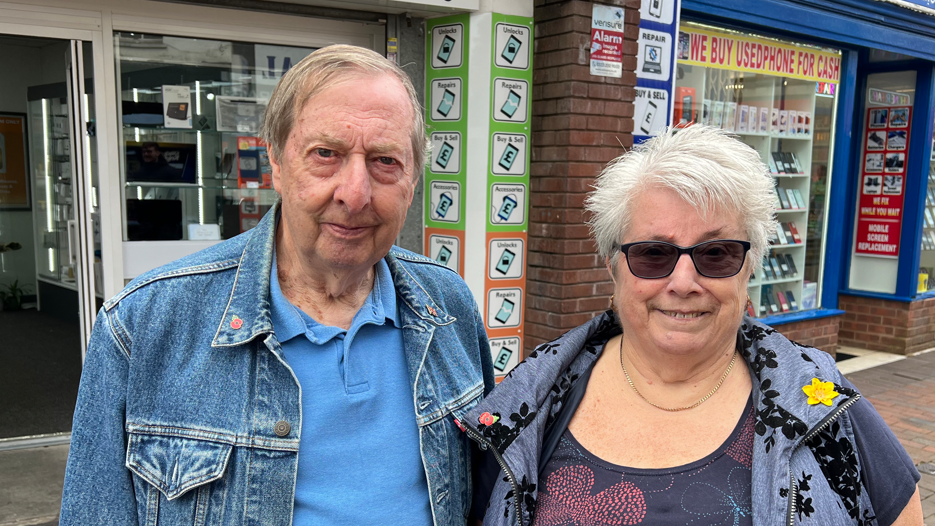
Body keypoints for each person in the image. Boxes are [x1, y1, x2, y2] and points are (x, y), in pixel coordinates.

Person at [61, 45, 494, 525]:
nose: (354, 194)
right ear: (277, 163)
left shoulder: (449, 305)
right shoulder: (142, 325)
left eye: (385, 161)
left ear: (414, 178)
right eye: (325, 154)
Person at [463, 125, 922, 525]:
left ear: (750, 268)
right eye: (653, 254)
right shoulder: (529, 404)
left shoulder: (820, 402)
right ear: (613, 267)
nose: (683, 282)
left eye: (716, 254)